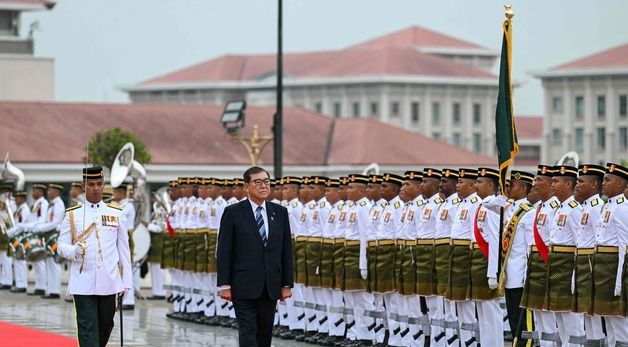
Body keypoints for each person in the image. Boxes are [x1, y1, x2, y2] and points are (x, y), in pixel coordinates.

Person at [216, 166, 294, 347]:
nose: (263, 186)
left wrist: (286, 283)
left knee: (265, 333)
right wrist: (224, 285)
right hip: (243, 284)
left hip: (270, 285)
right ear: (246, 187)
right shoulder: (233, 212)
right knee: (248, 331)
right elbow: (224, 250)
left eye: (266, 182)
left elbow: (285, 250)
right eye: (257, 182)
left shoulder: (279, 212)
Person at [57, 166, 132, 347]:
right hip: (83, 282)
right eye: (91, 184)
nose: (96, 188)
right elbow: (61, 246)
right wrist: (74, 251)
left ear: (103, 185)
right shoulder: (72, 215)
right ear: (84, 186)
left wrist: (127, 284)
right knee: (87, 327)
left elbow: (124, 252)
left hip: (109, 281)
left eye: (99, 184)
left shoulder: (116, 213)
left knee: (106, 325)